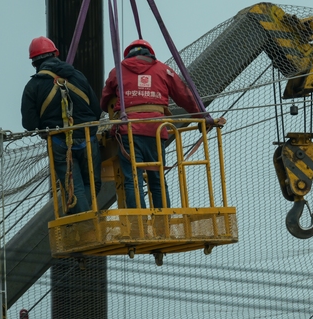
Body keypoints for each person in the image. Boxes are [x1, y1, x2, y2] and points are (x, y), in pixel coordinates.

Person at [100, 39, 204, 209]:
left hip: (129, 130)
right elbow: (184, 95)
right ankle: (163, 221)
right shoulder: (163, 70)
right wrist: (202, 115)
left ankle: (137, 222)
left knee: (133, 180)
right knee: (157, 179)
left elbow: (104, 102)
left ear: (128, 54)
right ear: (150, 53)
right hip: (156, 129)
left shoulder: (117, 71)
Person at [21, 36, 103, 214]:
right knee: (93, 183)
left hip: (59, 141)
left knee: (73, 187)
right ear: (56, 54)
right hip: (86, 137)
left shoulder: (33, 85)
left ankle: (83, 223)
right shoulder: (78, 77)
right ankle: (85, 219)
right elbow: (96, 110)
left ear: (34, 62)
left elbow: (29, 123)